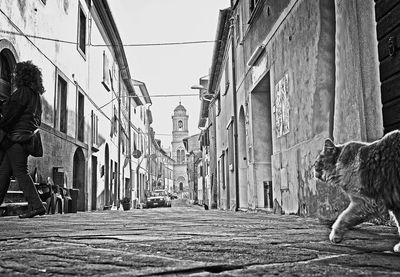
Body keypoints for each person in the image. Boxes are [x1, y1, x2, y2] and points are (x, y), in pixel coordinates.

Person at [0, 61, 45, 218]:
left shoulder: (23, 92)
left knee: (20, 172)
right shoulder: (36, 96)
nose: (14, 76)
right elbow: (36, 120)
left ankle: (37, 206)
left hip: (16, 139)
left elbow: (10, 114)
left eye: (17, 74)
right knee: (4, 173)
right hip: (27, 138)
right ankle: (36, 205)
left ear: (22, 76)